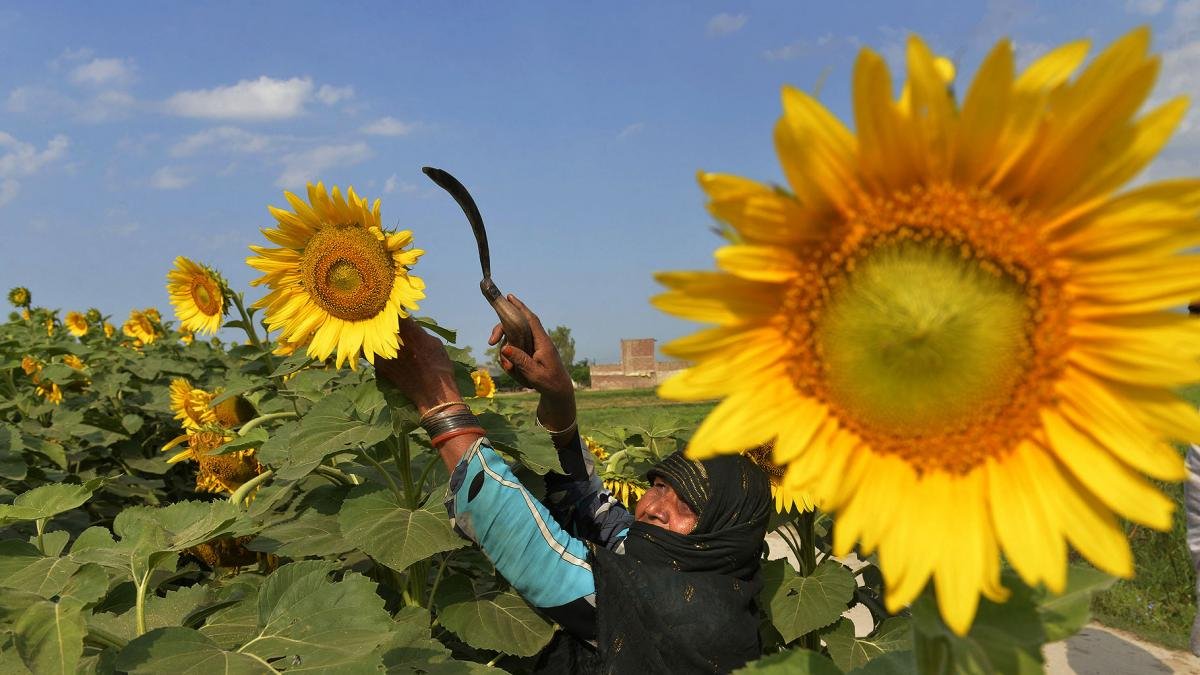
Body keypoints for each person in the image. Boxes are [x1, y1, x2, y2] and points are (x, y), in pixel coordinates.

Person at [375, 296, 772, 674]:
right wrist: (558, 395)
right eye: (659, 486)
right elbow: (591, 504)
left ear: (727, 535)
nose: (654, 508)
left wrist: (437, 396)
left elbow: (546, 564)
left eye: (687, 507)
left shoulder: (701, 616)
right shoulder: (659, 554)